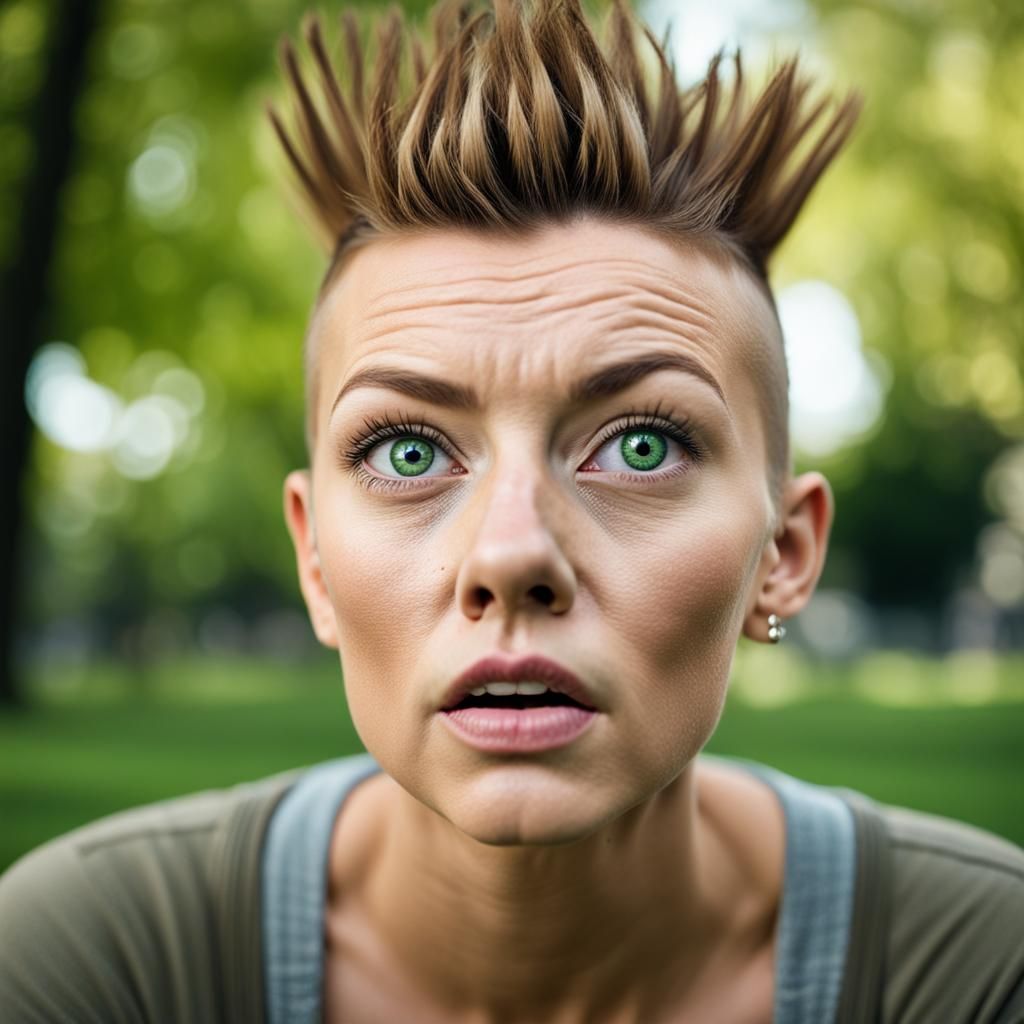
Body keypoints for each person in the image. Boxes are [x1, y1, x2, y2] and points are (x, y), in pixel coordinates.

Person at [1, 1, 1022, 1021]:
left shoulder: (983, 969)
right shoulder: (81, 965)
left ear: (784, 553)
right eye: (409, 451)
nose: (511, 554)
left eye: (640, 445)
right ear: (313, 558)